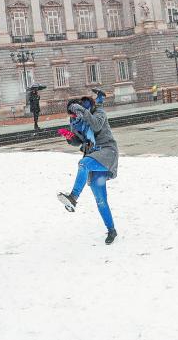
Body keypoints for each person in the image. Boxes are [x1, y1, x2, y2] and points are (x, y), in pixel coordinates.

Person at [57, 90, 118, 244]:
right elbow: (79, 141)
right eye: (72, 114)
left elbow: (96, 126)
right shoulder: (79, 121)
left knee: (83, 164)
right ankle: (111, 230)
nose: (74, 116)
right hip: (94, 157)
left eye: (76, 112)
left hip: (106, 152)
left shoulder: (99, 113)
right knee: (101, 200)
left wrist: (82, 111)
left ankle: (73, 197)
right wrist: (70, 138)